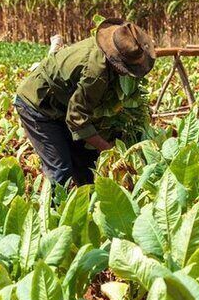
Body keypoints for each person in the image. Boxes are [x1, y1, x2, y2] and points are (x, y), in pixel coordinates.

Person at [14, 18, 156, 186]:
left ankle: (88, 206)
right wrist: (110, 149)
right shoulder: (96, 74)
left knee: (87, 165)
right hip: (38, 106)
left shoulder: (106, 47)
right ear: (117, 63)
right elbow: (76, 120)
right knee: (60, 171)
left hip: (62, 105)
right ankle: (51, 210)